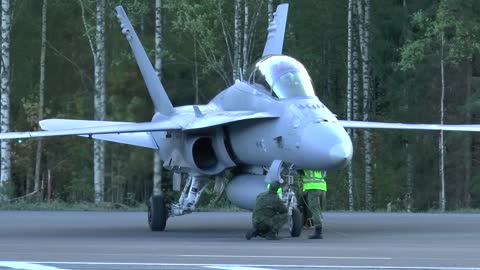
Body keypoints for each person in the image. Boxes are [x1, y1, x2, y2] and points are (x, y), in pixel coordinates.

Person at [302, 169, 327, 239]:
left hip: (313, 188)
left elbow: (299, 170)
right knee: (319, 210)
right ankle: (319, 228)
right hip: (322, 187)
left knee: (315, 210)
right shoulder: (319, 163)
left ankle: (318, 231)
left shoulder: (307, 162)